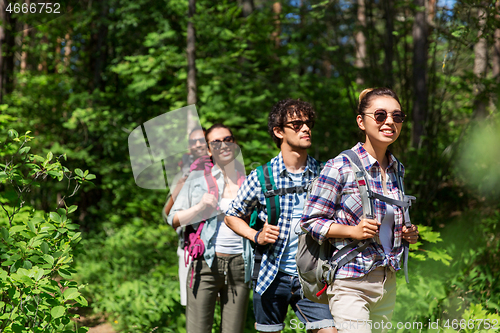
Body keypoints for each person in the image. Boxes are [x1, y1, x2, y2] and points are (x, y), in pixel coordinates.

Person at [300, 88, 419, 333]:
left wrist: (407, 233)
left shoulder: (398, 169)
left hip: (387, 281)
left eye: (397, 116)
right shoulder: (340, 166)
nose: (389, 122)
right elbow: (310, 221)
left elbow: (389, 221)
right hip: (350, 281)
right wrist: (352, 231)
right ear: (361, 121)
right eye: (380, 115)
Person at [225, 99, 336, 333]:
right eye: (296, 124)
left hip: (312, 277)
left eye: (308, 123)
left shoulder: (325, 173)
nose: (305, 128)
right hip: (270, 276)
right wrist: (256, 236)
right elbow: (232, 216)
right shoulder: (262, 176)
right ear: (278, 131)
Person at [167, 124, 251, 333]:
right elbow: (173, 219)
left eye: (228, 139)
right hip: (205, 264)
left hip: (240, 266)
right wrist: (199, 207)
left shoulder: (249, 181)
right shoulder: (197, 180)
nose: (223, 145)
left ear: (235, 143)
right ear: (208, 149)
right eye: (216, 142)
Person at [162, 127, 208, 307]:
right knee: (193, 304)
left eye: (202, 140)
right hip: (189, 248)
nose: (197, 145)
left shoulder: (224, 171)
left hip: (221, 249)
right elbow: (167, 214)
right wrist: (179, 188)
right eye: (193, 142)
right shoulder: (182, 175)